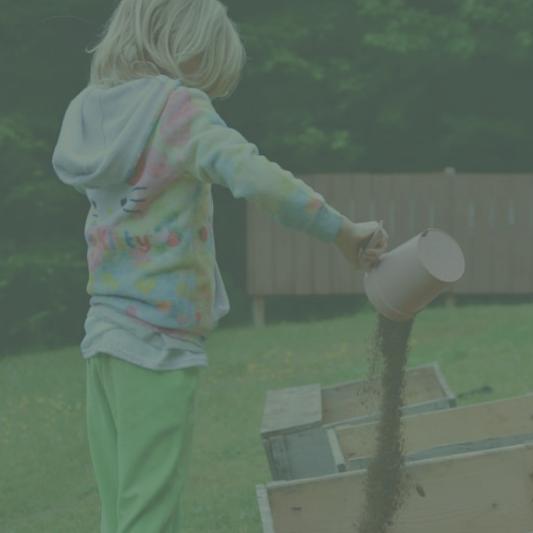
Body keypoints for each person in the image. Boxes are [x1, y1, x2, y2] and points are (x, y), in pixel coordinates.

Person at [51, 1, 388, 531]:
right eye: (206, 72)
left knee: (120, 512)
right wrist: (343, 232)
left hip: (103, 338)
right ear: (185, 50)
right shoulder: (177, 110)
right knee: (149, 517)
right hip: (156, 346)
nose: (207, 90)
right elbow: (259, 178)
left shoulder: (91, 112)